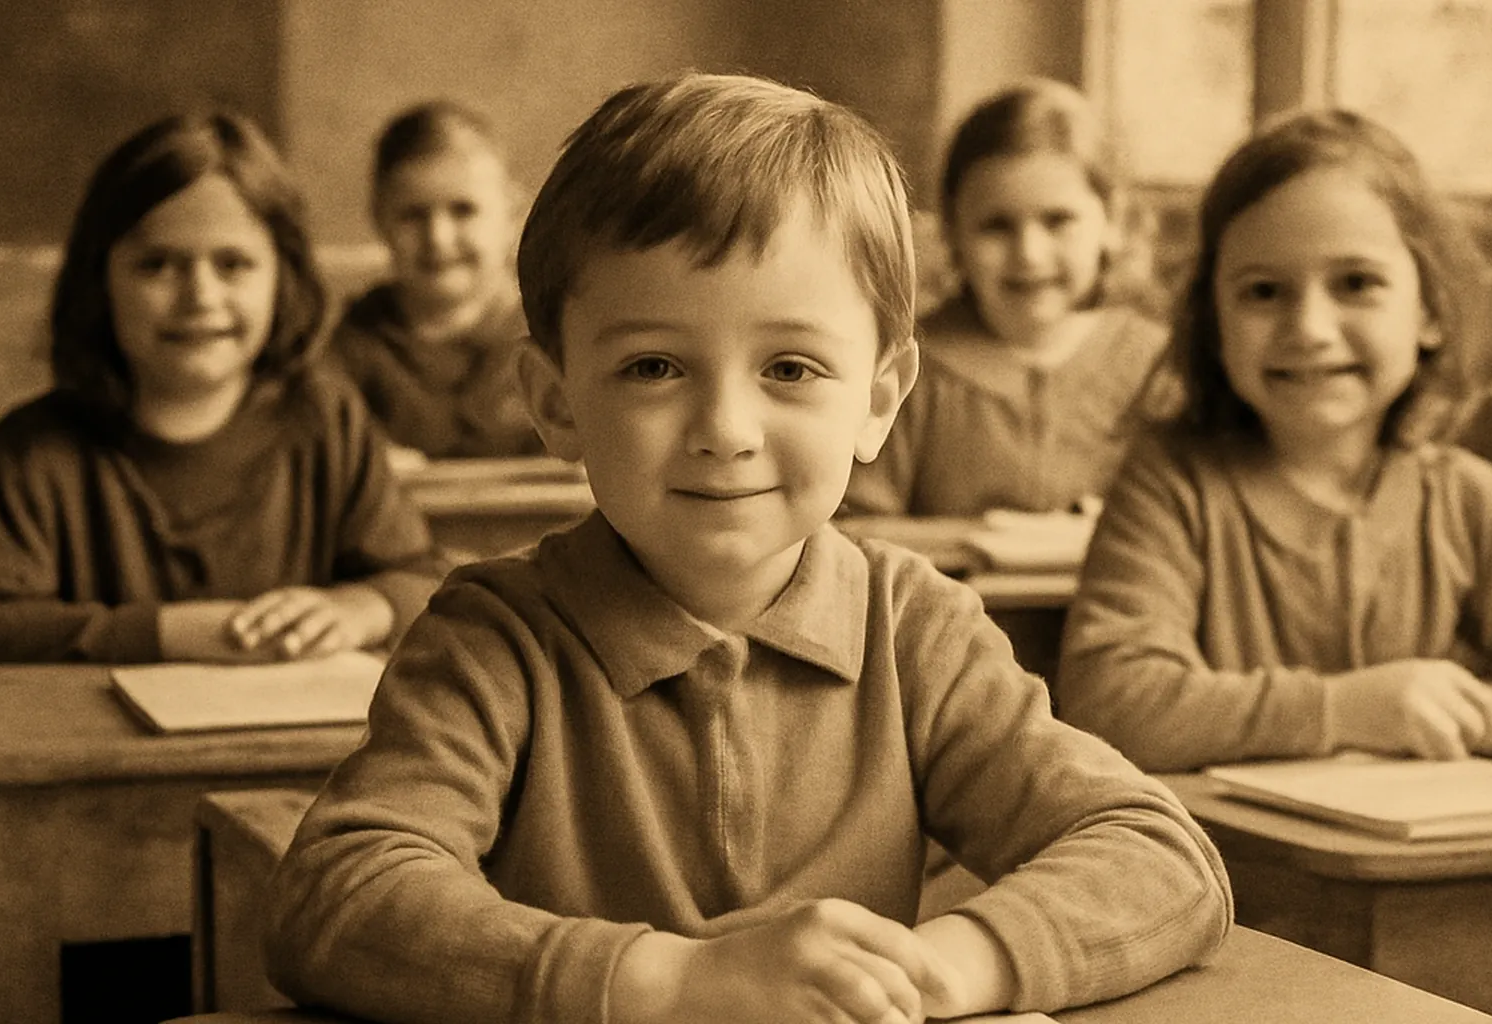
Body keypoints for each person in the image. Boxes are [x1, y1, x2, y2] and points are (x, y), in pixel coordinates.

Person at [264, 72, 1231, 1024]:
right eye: (653, 367)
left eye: (790, 368)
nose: (725, 430)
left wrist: (928, 973)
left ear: (880, 399)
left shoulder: (915, 633)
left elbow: (1158, 857)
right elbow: (338, 896)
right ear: (555, 403)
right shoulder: (494, 644)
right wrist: (674, 985)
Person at [1055, 108, 1492, 773]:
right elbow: (1109, 703)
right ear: (1214, 324)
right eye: (1264, 292)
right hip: (1217, 845)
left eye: (1356, 284)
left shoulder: (1474, 503)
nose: (1310, 329)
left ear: (1430, 311)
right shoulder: (1173, 486)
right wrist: (1344, 710)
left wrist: (1457, 712)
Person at [0, 112, 448, 664]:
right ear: (99, 281)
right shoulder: (31, 454)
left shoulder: (326, 421)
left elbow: (424, 578)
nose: (200, 296)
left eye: (233, 264)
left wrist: (365, 606)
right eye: (157, 265)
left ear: (283, 279)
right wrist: (164, 632)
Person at [842, 78, 1173, 516]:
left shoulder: (1158, 367)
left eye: (1058, 221)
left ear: (1112, 221)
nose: (1029, 254)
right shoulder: (910, 372)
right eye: (996, 226)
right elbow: (859, 529)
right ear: (953, 233)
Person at [327, 99, 544, 459]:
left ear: (514, 213)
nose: (438, 238)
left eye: (463, 210)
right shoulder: (350, 349)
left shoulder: (554, 337)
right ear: (379, 219)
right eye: (413, 215)